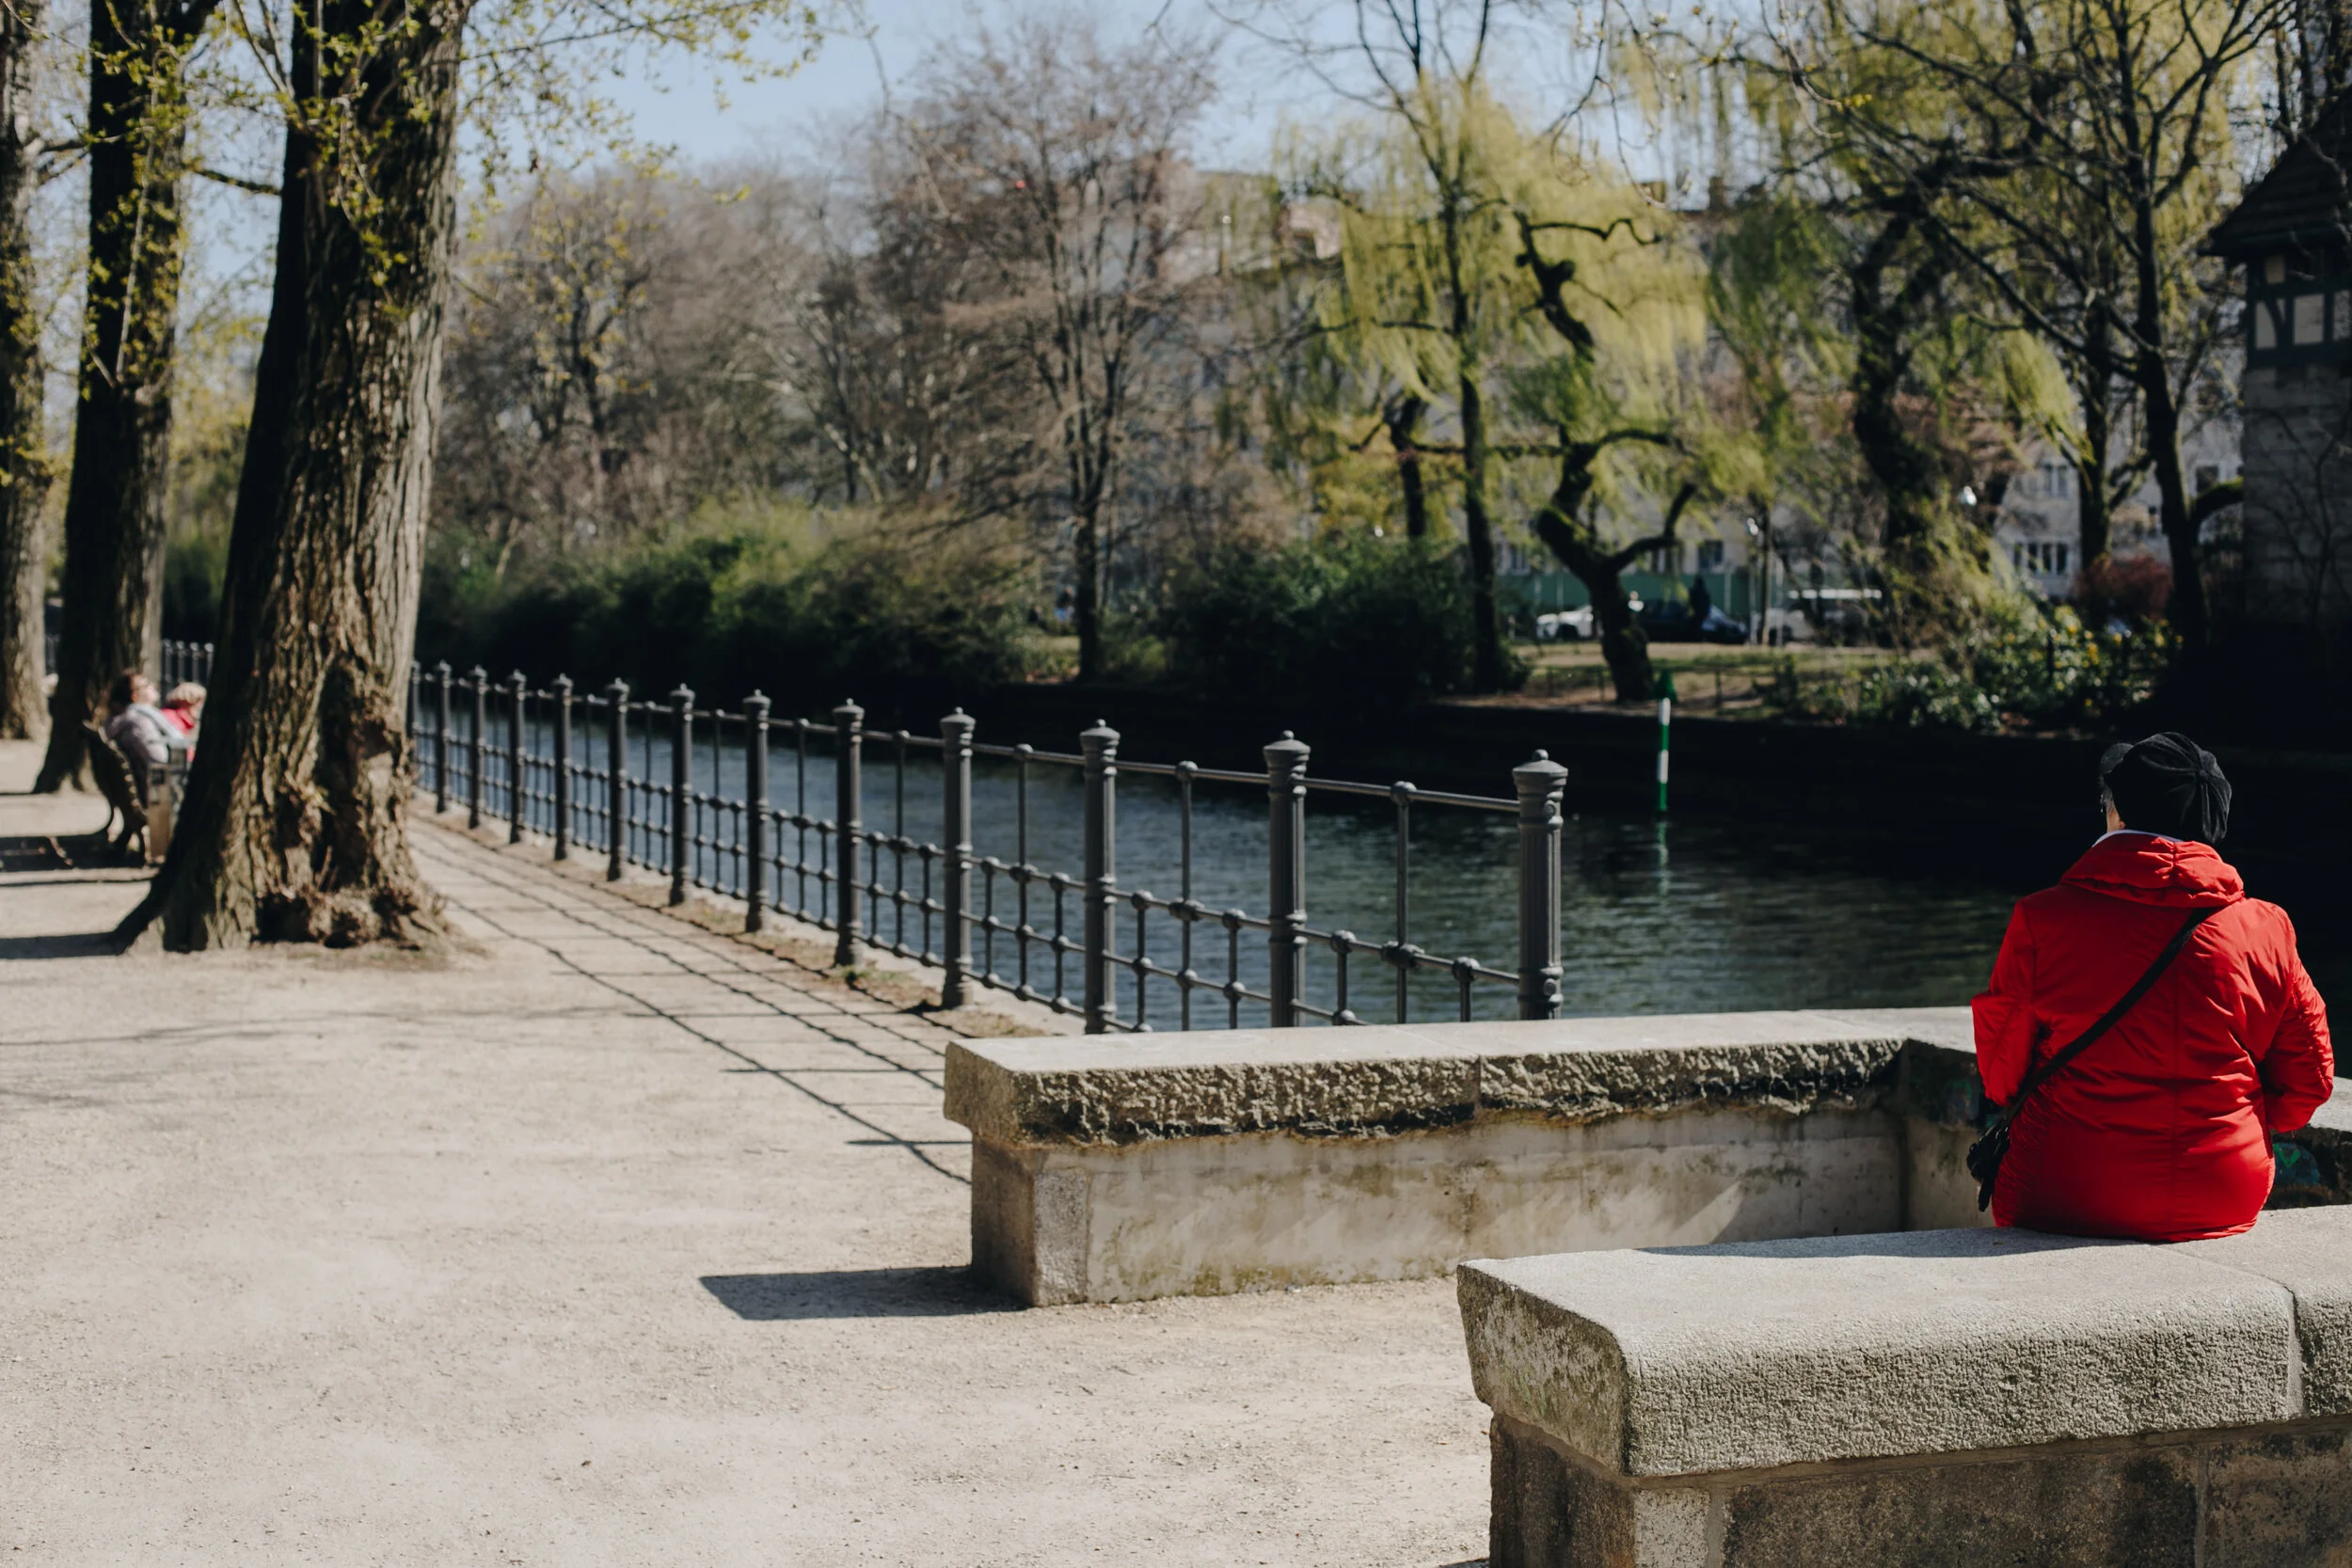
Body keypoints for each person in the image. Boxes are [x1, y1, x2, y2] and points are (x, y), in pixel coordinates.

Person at [1973, 732, 2333, 1242]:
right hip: (2221, 1191)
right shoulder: (2266, 929)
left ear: (2117, 814)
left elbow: (2001, 1074)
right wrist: (2228, 1119)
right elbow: (2310, 1080)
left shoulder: (2043, 919)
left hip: (2062, 1186)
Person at [101, 671, 190, 796]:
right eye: (146, 684)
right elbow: (159, 760)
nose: (152, 686)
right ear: (135, 696)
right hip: (157, 794)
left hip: (147, 788)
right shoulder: (139, 723)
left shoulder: (125, 720)